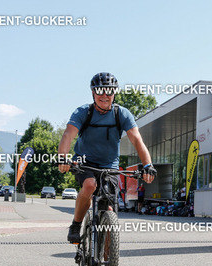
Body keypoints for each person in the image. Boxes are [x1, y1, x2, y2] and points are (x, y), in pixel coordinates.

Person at [58, 72, 156, 243]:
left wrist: (148, 165)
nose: (104, 95)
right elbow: (68, 135)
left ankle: (108, 257)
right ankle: (76, 224)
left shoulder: (122, 114)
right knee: (90, 185)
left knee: (109, 209)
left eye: (109, 91)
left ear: (114, 93)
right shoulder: (83, 112)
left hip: (109, 166)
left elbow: (137, 140)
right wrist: (63, 158)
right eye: (100, 90)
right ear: (93, 93)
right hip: (84, 163)